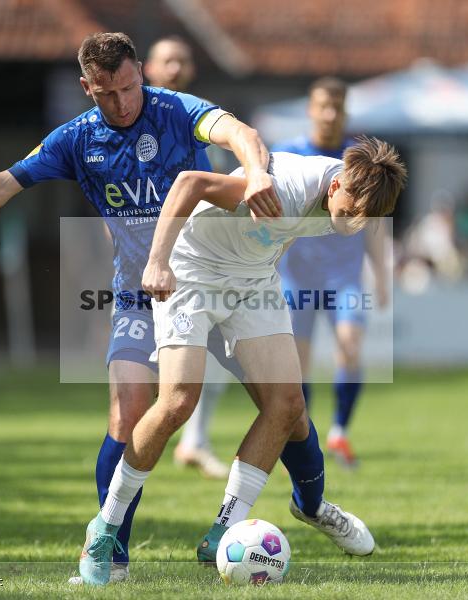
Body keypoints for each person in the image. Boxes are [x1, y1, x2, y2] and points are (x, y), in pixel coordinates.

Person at [0, 32, 284, 584]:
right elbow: (3, 184)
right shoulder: (77, 139)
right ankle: (110, 554)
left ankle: (315, 506)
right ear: (86, 87)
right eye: (106, 94)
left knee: (284, 405)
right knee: (127, 413)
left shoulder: (176, 110)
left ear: (140, 72)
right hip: (137, 293)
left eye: (128, 87)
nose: (122, 104)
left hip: (210, 282)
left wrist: (257, 171)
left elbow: (239, 132)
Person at [76, 137, 407, 585]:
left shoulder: (354, 203)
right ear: (335, 188)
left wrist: (268, 259)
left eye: (365, 220)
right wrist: (156, 262)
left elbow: (290, 232)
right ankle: (106, 528)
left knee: (288, 406)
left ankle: (226, 527)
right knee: (177, 402)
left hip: (252, 283)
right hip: (191, 271)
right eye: (349, 212)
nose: (352, 225)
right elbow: (190, 182)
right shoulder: (283, 187)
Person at [275, 77, 390, 468]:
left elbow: (373, 223)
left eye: (337, 107)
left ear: (344, 111)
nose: (329, 113)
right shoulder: (289, 153)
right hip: (297, 277)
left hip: (344, 278)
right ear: (310, 108)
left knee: (351, 347)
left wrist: (383, 275)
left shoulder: (358, 158)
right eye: (322, 105)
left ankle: (340, 432)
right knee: (299, 364)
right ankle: (306, 439)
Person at [144, 34, 231, 479]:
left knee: (213, 350)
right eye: (167, 61)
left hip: (199, 253)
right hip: (149, 256)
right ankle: (134, 451)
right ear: (147, 69)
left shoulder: (202, 119)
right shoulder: (132, 123)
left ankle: (193, 441)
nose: (175, 68)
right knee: (144, 363)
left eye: (183, 61)